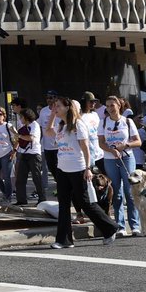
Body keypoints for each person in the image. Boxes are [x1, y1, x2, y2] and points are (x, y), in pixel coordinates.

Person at [45, 96, 119, 249]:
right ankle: (63, 240)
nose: (56, 108)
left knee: (85, 203)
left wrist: (87, 168)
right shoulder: (61, 126)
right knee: (63, 204)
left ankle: (109, 228)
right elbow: (47, 131)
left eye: (58, 106)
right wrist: (52, 114)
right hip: (62, 168)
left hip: (78, 169)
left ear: (68, 107)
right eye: (55, 106)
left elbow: (86, 148)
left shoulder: (78, 124)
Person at [99, 96, 142, 237]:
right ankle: (120, 226)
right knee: (116, 192)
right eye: (108, 106)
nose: (110, 108)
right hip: (110, 159)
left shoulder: (128, 122)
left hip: (127, 158)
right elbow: (101, 142)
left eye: (112, 105)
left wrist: (126, 145)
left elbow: (138, 141)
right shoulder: (103, 122)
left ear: (119, 105)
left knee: (130, 191)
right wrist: (111, 150)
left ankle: (135, 225)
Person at [13, 108, 46, 206]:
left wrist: (18, 135)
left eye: (21, 117)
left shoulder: (34, 125)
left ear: (26, 117)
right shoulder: (25, 126)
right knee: (20, 178)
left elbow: (31, 138)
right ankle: (21, 200)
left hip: (34, 155)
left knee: (37, 178)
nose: (20, 119)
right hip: (24, 154)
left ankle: (42, 199)